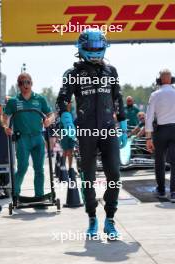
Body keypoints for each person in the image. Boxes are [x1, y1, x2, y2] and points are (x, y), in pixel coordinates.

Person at [57, 29, 127, 239]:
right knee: (88, 177)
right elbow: (62, 100)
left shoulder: (111, 71)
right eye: (91, 48)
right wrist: (67, 121)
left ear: (105, 48)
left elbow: (118, 99)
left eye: (99, 48)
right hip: (86, 132)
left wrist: (123, 126)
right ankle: (92, 218)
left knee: (114, 174)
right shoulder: (73, 73)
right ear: (80, 49)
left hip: (108, 130)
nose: (95, 52)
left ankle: (110, 219)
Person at [2, 73, 54, 197]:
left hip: (37, 137)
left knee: (39, 169)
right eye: (22, 83)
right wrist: (5, 127)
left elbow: (51, 114)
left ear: (32, 83)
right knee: (22, 167)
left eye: (27, 82)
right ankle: (15, 193)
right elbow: (4, 117)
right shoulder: (13, 101)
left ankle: (39, 196)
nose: (25, 85)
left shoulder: (40, 99)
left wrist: (48, 120)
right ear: (18, 85)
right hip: (22, 139)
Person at [145, 69, 175, 202]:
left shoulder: (155, 94)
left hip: (161, 131)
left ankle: (161, 190)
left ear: (159, 80)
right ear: (172, 79)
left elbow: (149, 117)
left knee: (159, 161)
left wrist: (148, 138)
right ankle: (174, 193)